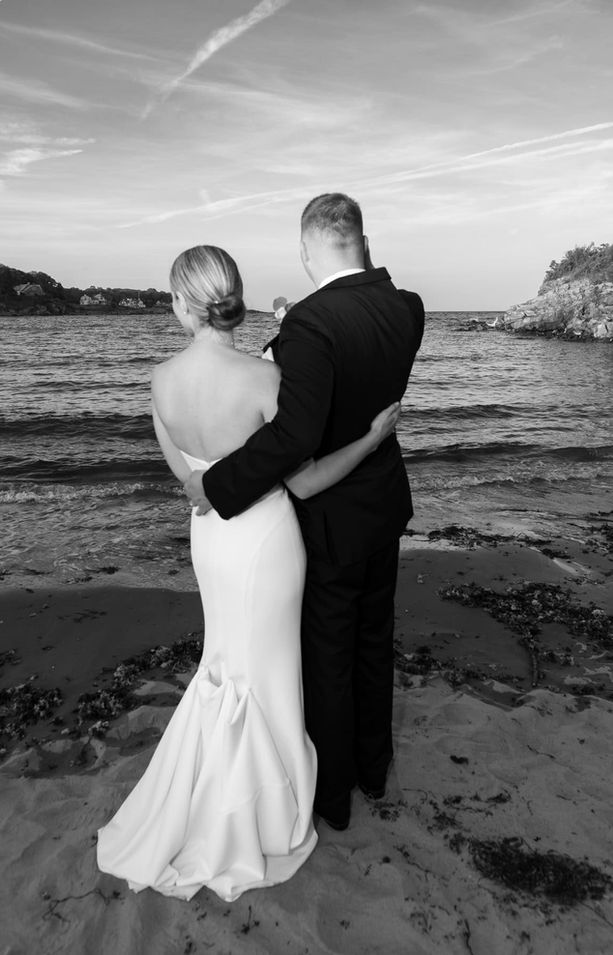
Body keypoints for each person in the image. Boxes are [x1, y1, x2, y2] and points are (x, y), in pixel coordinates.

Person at [96, 244, 401, 902]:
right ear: (233, 296)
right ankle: (265, 800)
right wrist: (373, 438)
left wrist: (205, 486)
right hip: (266, 539)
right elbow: (310, 479)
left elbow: (191, 483)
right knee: (269, 665)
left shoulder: (159, 380)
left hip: (210, 539)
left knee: (224, 657)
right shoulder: (266, 380)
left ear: (182, 304)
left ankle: (209, 791)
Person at [186, 194, 424, 831]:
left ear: (304, 249)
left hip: (330, 517)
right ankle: (375, 771)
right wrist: (285, 338)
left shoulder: (310, 327)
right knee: (375, 645)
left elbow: (293, 437)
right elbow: (356, 361)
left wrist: (217, 487)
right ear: (363, 242)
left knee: (328, 658)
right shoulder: (408, 308)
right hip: (383, 506)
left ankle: (334, 798)